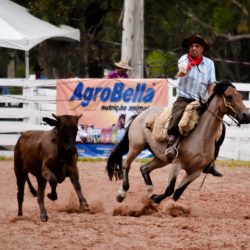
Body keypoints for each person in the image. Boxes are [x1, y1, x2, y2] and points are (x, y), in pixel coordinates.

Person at [165, 34, 223, 177]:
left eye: (197, 46)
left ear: (202, 48)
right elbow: (183, 68)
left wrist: (209, 99)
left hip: (201, 101)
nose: (194, 48)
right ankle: (171, 144)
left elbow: (211, 83)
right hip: (184, 98)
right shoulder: (184, 60)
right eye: (191, 46)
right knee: (177, 114)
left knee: (218, 126)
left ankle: (210, 161)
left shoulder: (209, 64)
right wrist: (184, 70)